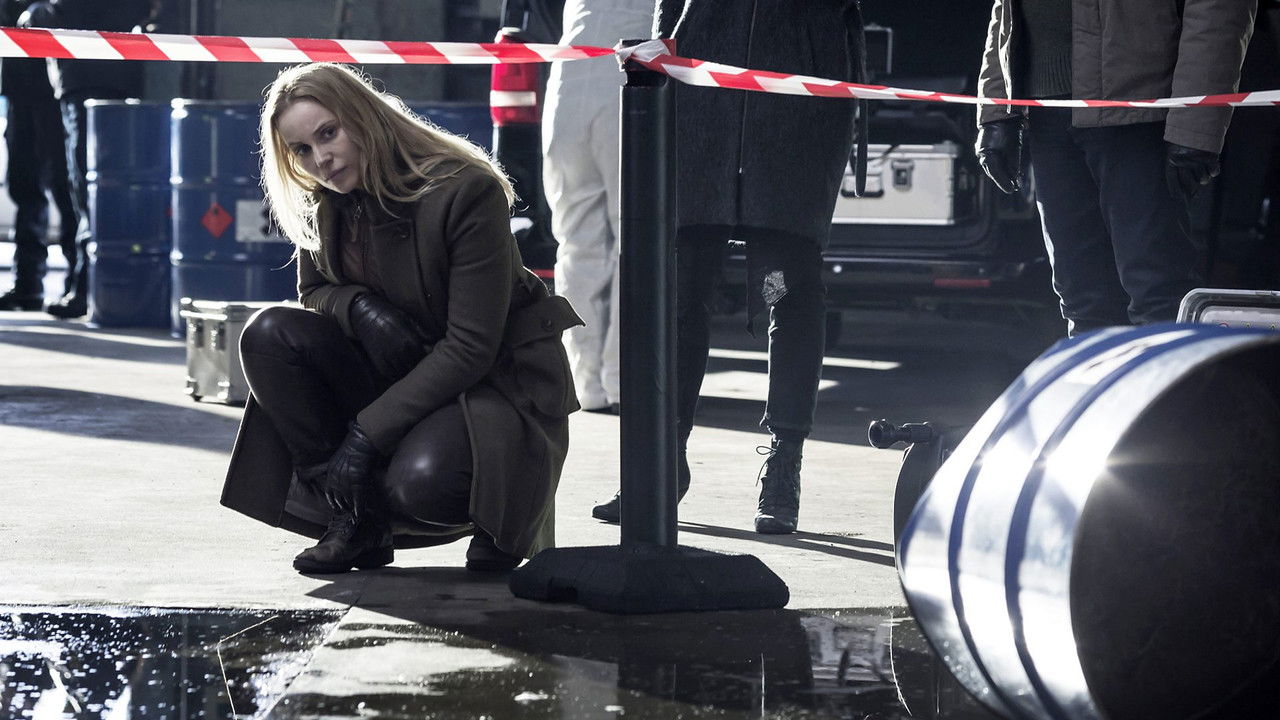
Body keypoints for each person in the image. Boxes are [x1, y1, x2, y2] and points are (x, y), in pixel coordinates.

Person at [219, 63, 583, 574]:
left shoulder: (465, 190)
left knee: (421, 483)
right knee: (268, 334)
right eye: (300, 149)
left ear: (362, 116)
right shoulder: (326, 200)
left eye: (329, 133)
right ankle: (356, 518)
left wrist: (364, 435)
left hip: (491, 386)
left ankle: (500, 509)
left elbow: (470, 349)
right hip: (400, 375)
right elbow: (313, 291)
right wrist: (359, 308)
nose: (320, 159)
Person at [592, 0, 868, 535]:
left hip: (798, 107)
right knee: (677, 288)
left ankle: (784, 463)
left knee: (789, 288)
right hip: (700, 101)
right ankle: (662, 462)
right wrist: (660, 58)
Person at [975, 0, 1257, 336]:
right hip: (1045, 110)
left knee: (1158, 297)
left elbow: (1219, 7)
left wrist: (1195, 121)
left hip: (1139, 113)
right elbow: (1005, 9)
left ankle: (1166, 372)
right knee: (1082, 301)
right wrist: (997, 108)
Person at [542, 0, 654, 414]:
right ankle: (624, 379)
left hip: (568, 82)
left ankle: (584, 382)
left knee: (577, 244)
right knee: (637, 237)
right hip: (630, 78)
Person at [36, 0, 151, 319]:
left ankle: (88, 289)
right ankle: (99, 287)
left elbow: (63, 10)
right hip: (118, 73)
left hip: (85, 74)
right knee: (105, 185)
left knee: (89, 187)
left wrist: (41, 12)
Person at [0, 0, 76, 311]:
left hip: (54, 86)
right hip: (19, 88)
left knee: (64, 186)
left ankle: (77, 284)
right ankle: (27, 284)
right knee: (23, 185)